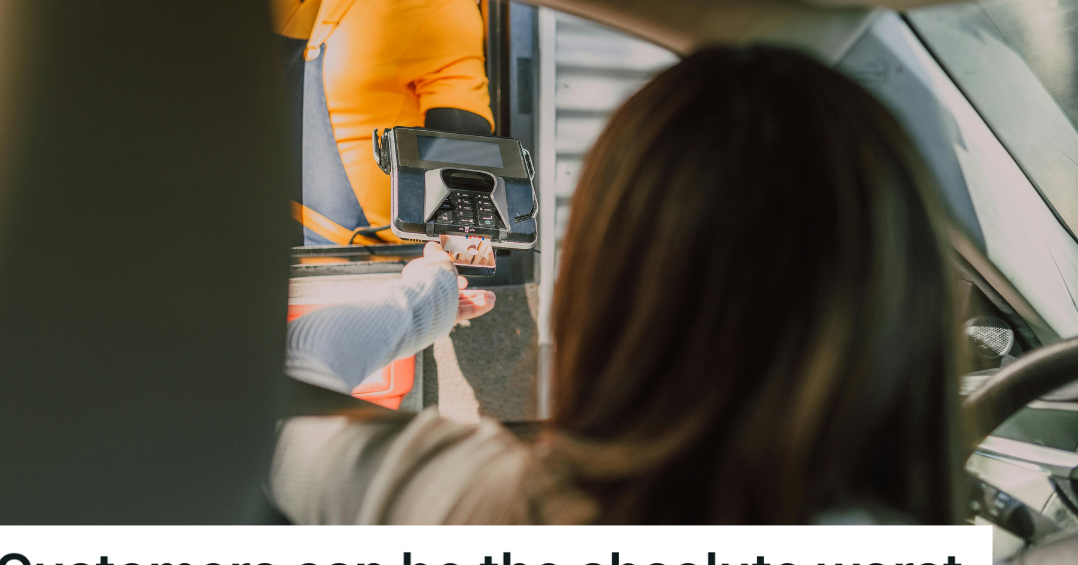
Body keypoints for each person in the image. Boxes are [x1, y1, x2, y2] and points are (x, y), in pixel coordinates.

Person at [271, 45, 962, 526]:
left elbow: (275, 391)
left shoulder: (470, 509)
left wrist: (429, 297)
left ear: (599, 303)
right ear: (912, 313)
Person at [273, 0, 495, 245]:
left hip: (361, 255)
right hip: (279, 229)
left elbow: (464, 149)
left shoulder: (440, 8)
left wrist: (456, 256)